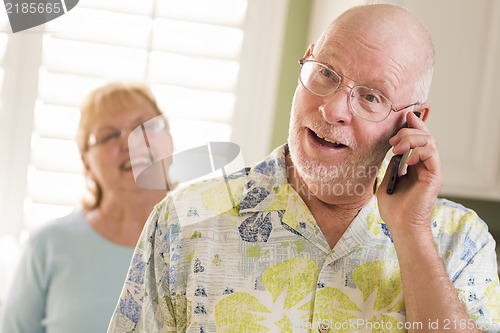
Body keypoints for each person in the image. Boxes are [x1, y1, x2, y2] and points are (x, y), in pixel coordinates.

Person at [108, 4, 500, 333]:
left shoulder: (460, 242)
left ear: (413, 120)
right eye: (327, 73)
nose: (333, 109)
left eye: (371, 96)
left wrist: (413, 234)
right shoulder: (182, 223)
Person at [0, 82, 173, 333]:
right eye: (110, 135)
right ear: (86, 162)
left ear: (169, 139)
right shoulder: (47, 246)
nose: (131, 142)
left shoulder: (214, 239)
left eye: (144, 126)